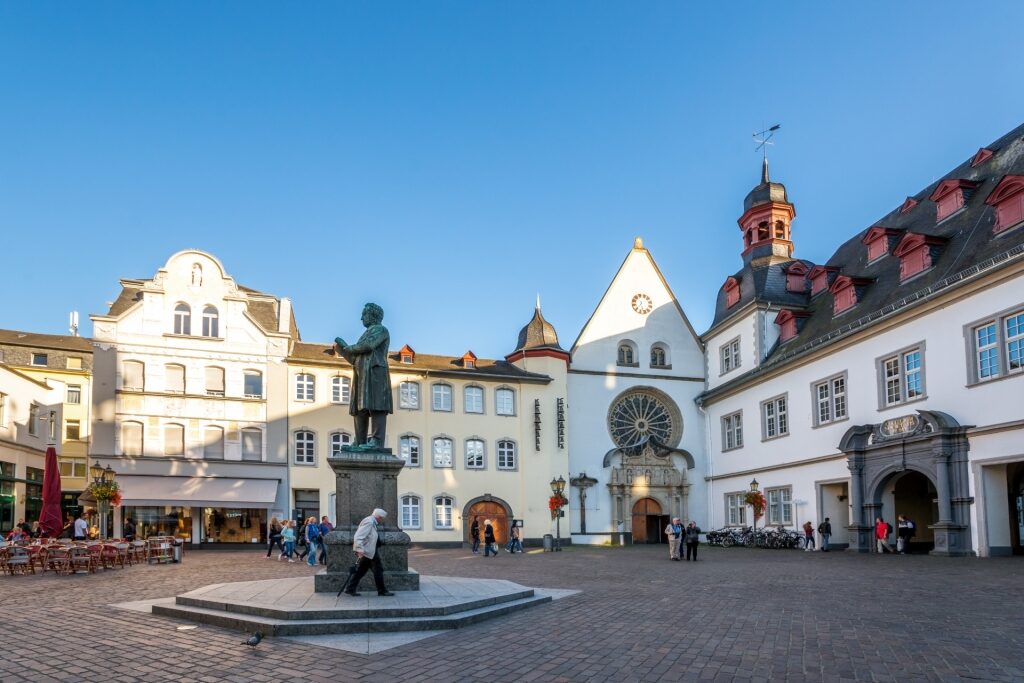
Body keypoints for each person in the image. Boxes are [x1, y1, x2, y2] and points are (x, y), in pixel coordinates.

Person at [334, 303, 393, 450]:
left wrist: (349, 348)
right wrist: (343, 351)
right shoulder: (365, 334)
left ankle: (377, 442)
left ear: (372, 315)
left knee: (377, 406)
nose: (361, 318)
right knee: (359, 408)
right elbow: (356, 358)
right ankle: (360, 441)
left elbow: (368, 346)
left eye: (364, 314)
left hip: (375, 373)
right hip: (362, 375)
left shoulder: (380, 330)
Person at [344, 508, 394, 597]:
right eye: (382, 518)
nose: (382, 520)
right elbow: (358, 536)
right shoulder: (369, 522)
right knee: (378, 570)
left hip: (369, 550)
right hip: (368, 551)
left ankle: (350, 588)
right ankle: (382, 591)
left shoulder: (371, 521)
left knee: (361, 570)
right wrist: (359, 549)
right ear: (379, 517)